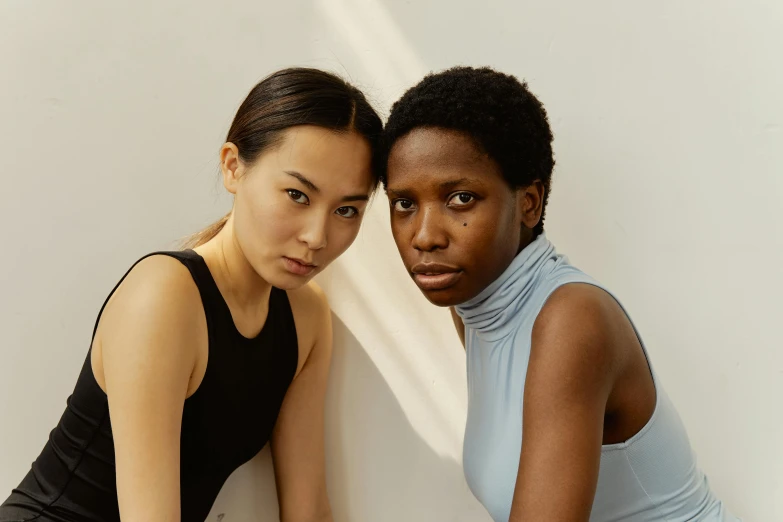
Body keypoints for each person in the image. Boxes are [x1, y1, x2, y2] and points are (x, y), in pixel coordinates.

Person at [0, 67, 382, 522]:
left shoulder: (305, 316)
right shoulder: (164, 295)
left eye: (346, 210)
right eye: (297, 195)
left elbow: (308, 511)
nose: (318, 236)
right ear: (233, 166)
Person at [381, 66, 739, 521]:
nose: (425, 235)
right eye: (404, 204)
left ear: (528, 202)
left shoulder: (571, 320)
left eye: (461, 199)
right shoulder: (472, 305)